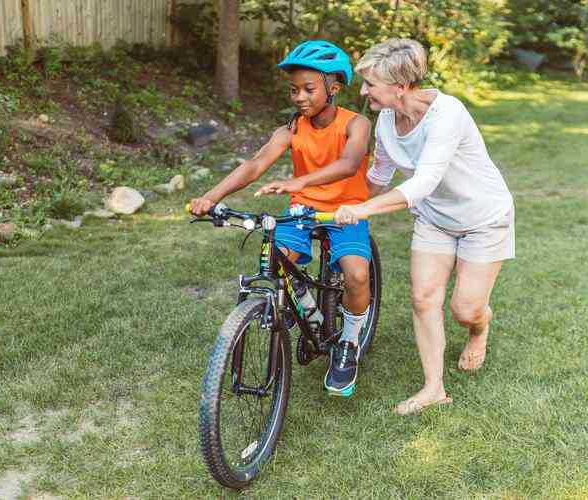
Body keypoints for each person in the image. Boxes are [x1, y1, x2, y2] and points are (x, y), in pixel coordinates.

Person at [334, 38, 515, 415]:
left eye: (370, 84)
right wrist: (344, 208)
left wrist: (365, 209)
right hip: (435, 218)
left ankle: (480, 328)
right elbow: (380, 174)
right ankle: (434, 387)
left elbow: (423, 183)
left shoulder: (447, 114)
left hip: (484, 217)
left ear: (400, 86)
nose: (363, 90)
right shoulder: (385, 120)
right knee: (423, 298)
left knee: (466, 309)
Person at [189, 40, 373, 397]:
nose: (300, 97)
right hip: (302, 210)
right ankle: (293, 309)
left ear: (333, 88)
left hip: (346, 210)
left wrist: (299, 180)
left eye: (309, 89)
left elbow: (349, 164)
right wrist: (211, 197)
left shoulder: (357, 124)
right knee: (277, 264)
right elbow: (256, 164)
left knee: (356, 273)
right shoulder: (291, 128)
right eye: (293, 90)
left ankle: (348, 343)